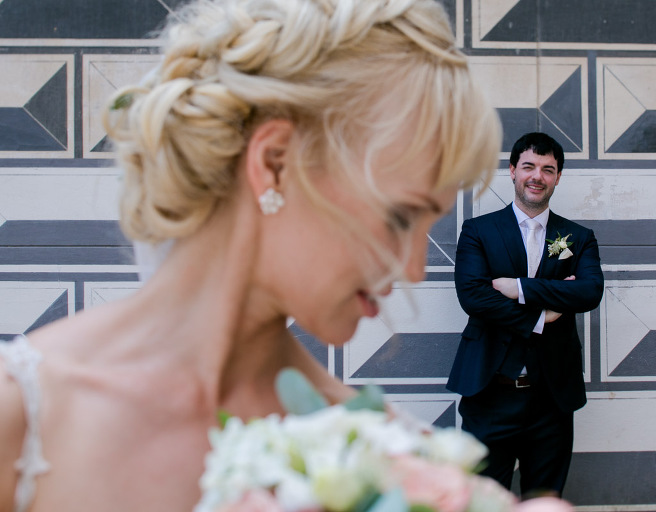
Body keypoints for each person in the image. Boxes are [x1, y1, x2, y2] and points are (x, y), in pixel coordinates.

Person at [0, 0, 502, 510]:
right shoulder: (22, 416)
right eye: (399, 218)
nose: (413, 268)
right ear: (276, 163)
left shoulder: (391, 459)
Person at [447, 132, 604, 498]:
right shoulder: (478, 231)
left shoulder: (578, 238)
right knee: (481, 502)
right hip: (489, 394)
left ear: (558, 177)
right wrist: (541, 317)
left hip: (551, 400)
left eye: (548, 169)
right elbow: (474, 296)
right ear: (513, 170)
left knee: (544, 501)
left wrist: (518, 288)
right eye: (529, 166)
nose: (538, 176)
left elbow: (589, 291)